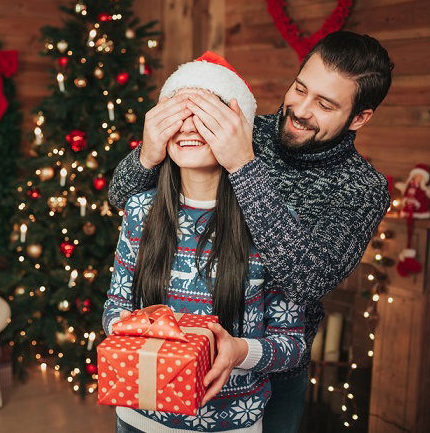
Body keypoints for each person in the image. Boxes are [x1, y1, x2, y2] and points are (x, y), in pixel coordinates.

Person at [108, 31, 393, 433]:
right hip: (171, 357)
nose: (300, 109)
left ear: (359, 117)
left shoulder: (362, 188)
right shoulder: (242, 123)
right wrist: (148, 153)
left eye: (325, 104)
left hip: (273, 361)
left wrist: (244, 166)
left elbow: (307, 279)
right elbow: (124, 198)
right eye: (299, 88)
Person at [102, 51, 307, 432]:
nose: (188, 126)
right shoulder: (140, 209)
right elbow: (113, 311)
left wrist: (238, 351)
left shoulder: (272, 223)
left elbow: (292, 347)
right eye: (178, 112)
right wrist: (157, 332)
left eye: (206, 114)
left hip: (231, 422)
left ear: (236, 129)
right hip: (136, 416)